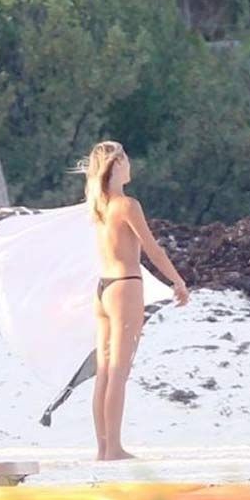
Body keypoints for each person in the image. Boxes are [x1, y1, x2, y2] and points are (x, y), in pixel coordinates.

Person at [83, 141, 190, 460]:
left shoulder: (98, 206)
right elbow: (153, 249)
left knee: (104, 371)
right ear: (115, 165)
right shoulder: (127, 205)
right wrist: (177, 280)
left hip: (103, 288)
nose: (130, 164)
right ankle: (114, 448)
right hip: (125, 287)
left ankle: (103, 447)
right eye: (125, 159)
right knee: (118, 371)